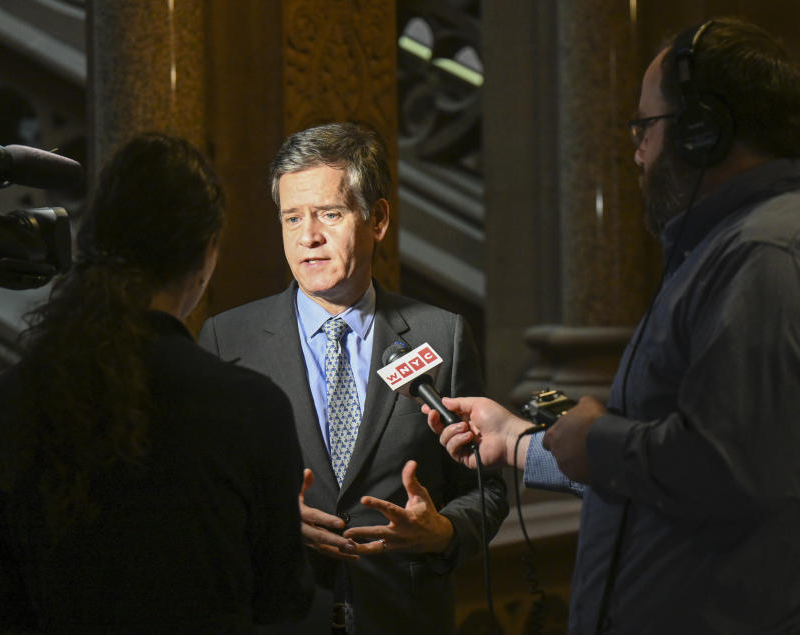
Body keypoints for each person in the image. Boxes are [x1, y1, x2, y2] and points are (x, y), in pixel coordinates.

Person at [425, 17, 800, 634]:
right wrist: (517, 440)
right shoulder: (726, 247)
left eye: (645, 127)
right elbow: (656, 468)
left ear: (703, 131)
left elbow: (732, 467)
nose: (637, 151)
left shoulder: (762, 255)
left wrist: (598, 442)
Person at [0, 132, 313, 633]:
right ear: (206, 254)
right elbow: (284, 606)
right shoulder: (253, 409)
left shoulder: (9, 400)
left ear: (94, 241)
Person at [199, 122, 508, 634]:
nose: (308, 237)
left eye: (330, 214)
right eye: (292, 217)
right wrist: (269, 525)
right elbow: (196, 497)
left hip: (403, 618)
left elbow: (487, 489)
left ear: (378, 219)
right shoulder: (227, 340)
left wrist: (444, 530)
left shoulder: (441, 335)